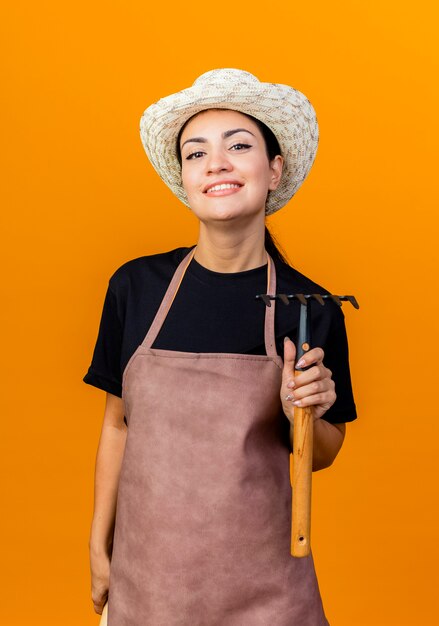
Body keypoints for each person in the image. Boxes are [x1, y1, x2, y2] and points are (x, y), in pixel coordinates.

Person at [83, 68, 357, 625]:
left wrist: (304, 411)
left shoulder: (311, 309)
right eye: (195, 152)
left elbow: (321, 452)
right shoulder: (135, 288)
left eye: (238, 145)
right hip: (149, 587)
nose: (217, 164)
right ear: (185, 176)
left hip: (268, 594)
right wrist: (98, 548)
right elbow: (117, 424)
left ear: (274, 168)